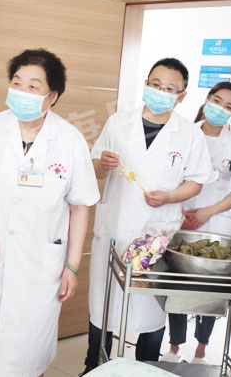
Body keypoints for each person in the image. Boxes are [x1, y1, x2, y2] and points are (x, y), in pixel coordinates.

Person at [0, 49, 100, 377]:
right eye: (17, 83)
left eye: (33, 86)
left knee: (30, 355)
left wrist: (72, 267)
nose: (21, 92)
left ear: (52, 96)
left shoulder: (70, 140)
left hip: (39, 265)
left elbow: (80, 207)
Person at [82, 58, 214, 374]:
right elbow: (94, 167)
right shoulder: (118, 122)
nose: (160, 92)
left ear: (181, 96)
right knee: (103, 304)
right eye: (155, 85)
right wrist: (103, 165)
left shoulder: (188, 134)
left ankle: (147, 368)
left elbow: (196, 182)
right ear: (145, 84)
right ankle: (91, 367)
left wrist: (169, 197)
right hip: (114, 227)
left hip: (156, 233)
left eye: (169, 88)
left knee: (150, 310)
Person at [162, 82, 231, 365]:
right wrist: (181, 210)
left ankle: (201, 350)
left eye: (229, 106)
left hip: (215, 225)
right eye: (217, 100)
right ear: (207, 99)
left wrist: (207, 212)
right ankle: (174, 347)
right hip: (179, 218)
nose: (220, 108)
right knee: (178, 286)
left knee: (210, 290)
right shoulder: (183, 134)